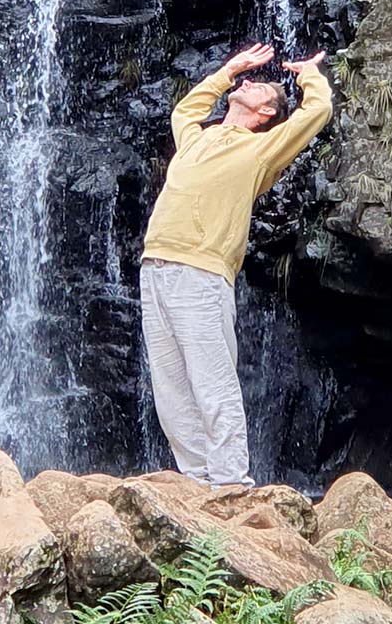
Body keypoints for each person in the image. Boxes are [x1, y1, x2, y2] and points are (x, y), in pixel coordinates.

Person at [139, 43, 332, 487]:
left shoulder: (261, 150)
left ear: (266, 111)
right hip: (155, 268)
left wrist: (308, 76)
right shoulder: (199, 137)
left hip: (201, 273)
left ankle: (230, 482)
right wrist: (227, 71)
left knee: (212, 381)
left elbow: (314, 114)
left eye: (254, 85)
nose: (246, 83)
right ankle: (196, 477)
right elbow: (185, 112)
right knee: (170, 386)